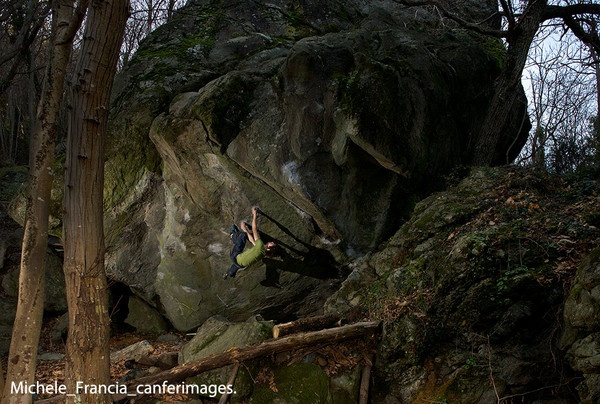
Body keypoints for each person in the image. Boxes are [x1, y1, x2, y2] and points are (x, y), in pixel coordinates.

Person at [224, 206, 276, 279]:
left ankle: (232, 235)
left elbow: (254, 229)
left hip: (235, 256)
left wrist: (254, 215)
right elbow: (252, 241)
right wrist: (245, 230)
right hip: (240, 265)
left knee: (242, 235)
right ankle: (230, 273)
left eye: (271, 244)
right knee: (238, 264)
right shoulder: (262, 254)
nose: (272, 242)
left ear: (268, 249)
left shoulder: (260, 245)